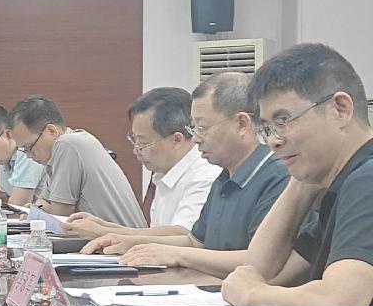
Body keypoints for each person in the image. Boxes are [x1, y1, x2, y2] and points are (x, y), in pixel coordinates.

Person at [81, 73, 290, 277]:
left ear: (242, 124)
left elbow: (261, 261)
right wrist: (131, 242)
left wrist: (176, 254)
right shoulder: (224, 176)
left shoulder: (276, 176)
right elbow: (195, 242)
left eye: (202, 128)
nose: (196, 139)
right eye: (194, 128)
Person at [222, 43, 373, 306]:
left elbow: (340, 302)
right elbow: (261, 269)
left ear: (340, 109)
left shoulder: (366, 179)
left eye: (282, 121)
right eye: (267, 129)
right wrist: (301, 182)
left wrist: (250, 295)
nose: (273, 141)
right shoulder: (338, 184)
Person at [64, 88, 219, 237]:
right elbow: (156, 234)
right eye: (134, 140)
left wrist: (104, 231)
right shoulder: (163, 173)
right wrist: (103, 225)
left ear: (177, 140)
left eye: (143, 143)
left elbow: (184, 235)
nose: (136, 150)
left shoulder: (205, 176)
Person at [7, 96, 146, 227]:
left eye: (29, 147)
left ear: (51, 131)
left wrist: (38, 211)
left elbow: (61, 219)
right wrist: (39, 209)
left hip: (123, 241)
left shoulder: (67, 144)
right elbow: (43, 202)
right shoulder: (57, 154)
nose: (29, 155)